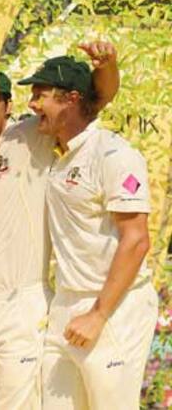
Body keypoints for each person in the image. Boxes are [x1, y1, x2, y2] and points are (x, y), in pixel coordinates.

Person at [0, 42, 120, 409]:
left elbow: (94, 100)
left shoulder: (32, 135)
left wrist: (107, 65)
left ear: (6, 105)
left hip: (21, 302)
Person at [19, 52, 157, 409]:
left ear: (70, 99)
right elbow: (102, 94)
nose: (32, 104)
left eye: (40, 94)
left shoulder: (113, 154)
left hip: (115, 308)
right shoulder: (51, 149)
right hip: (66, 304)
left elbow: (137, 239)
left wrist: (99, 314)